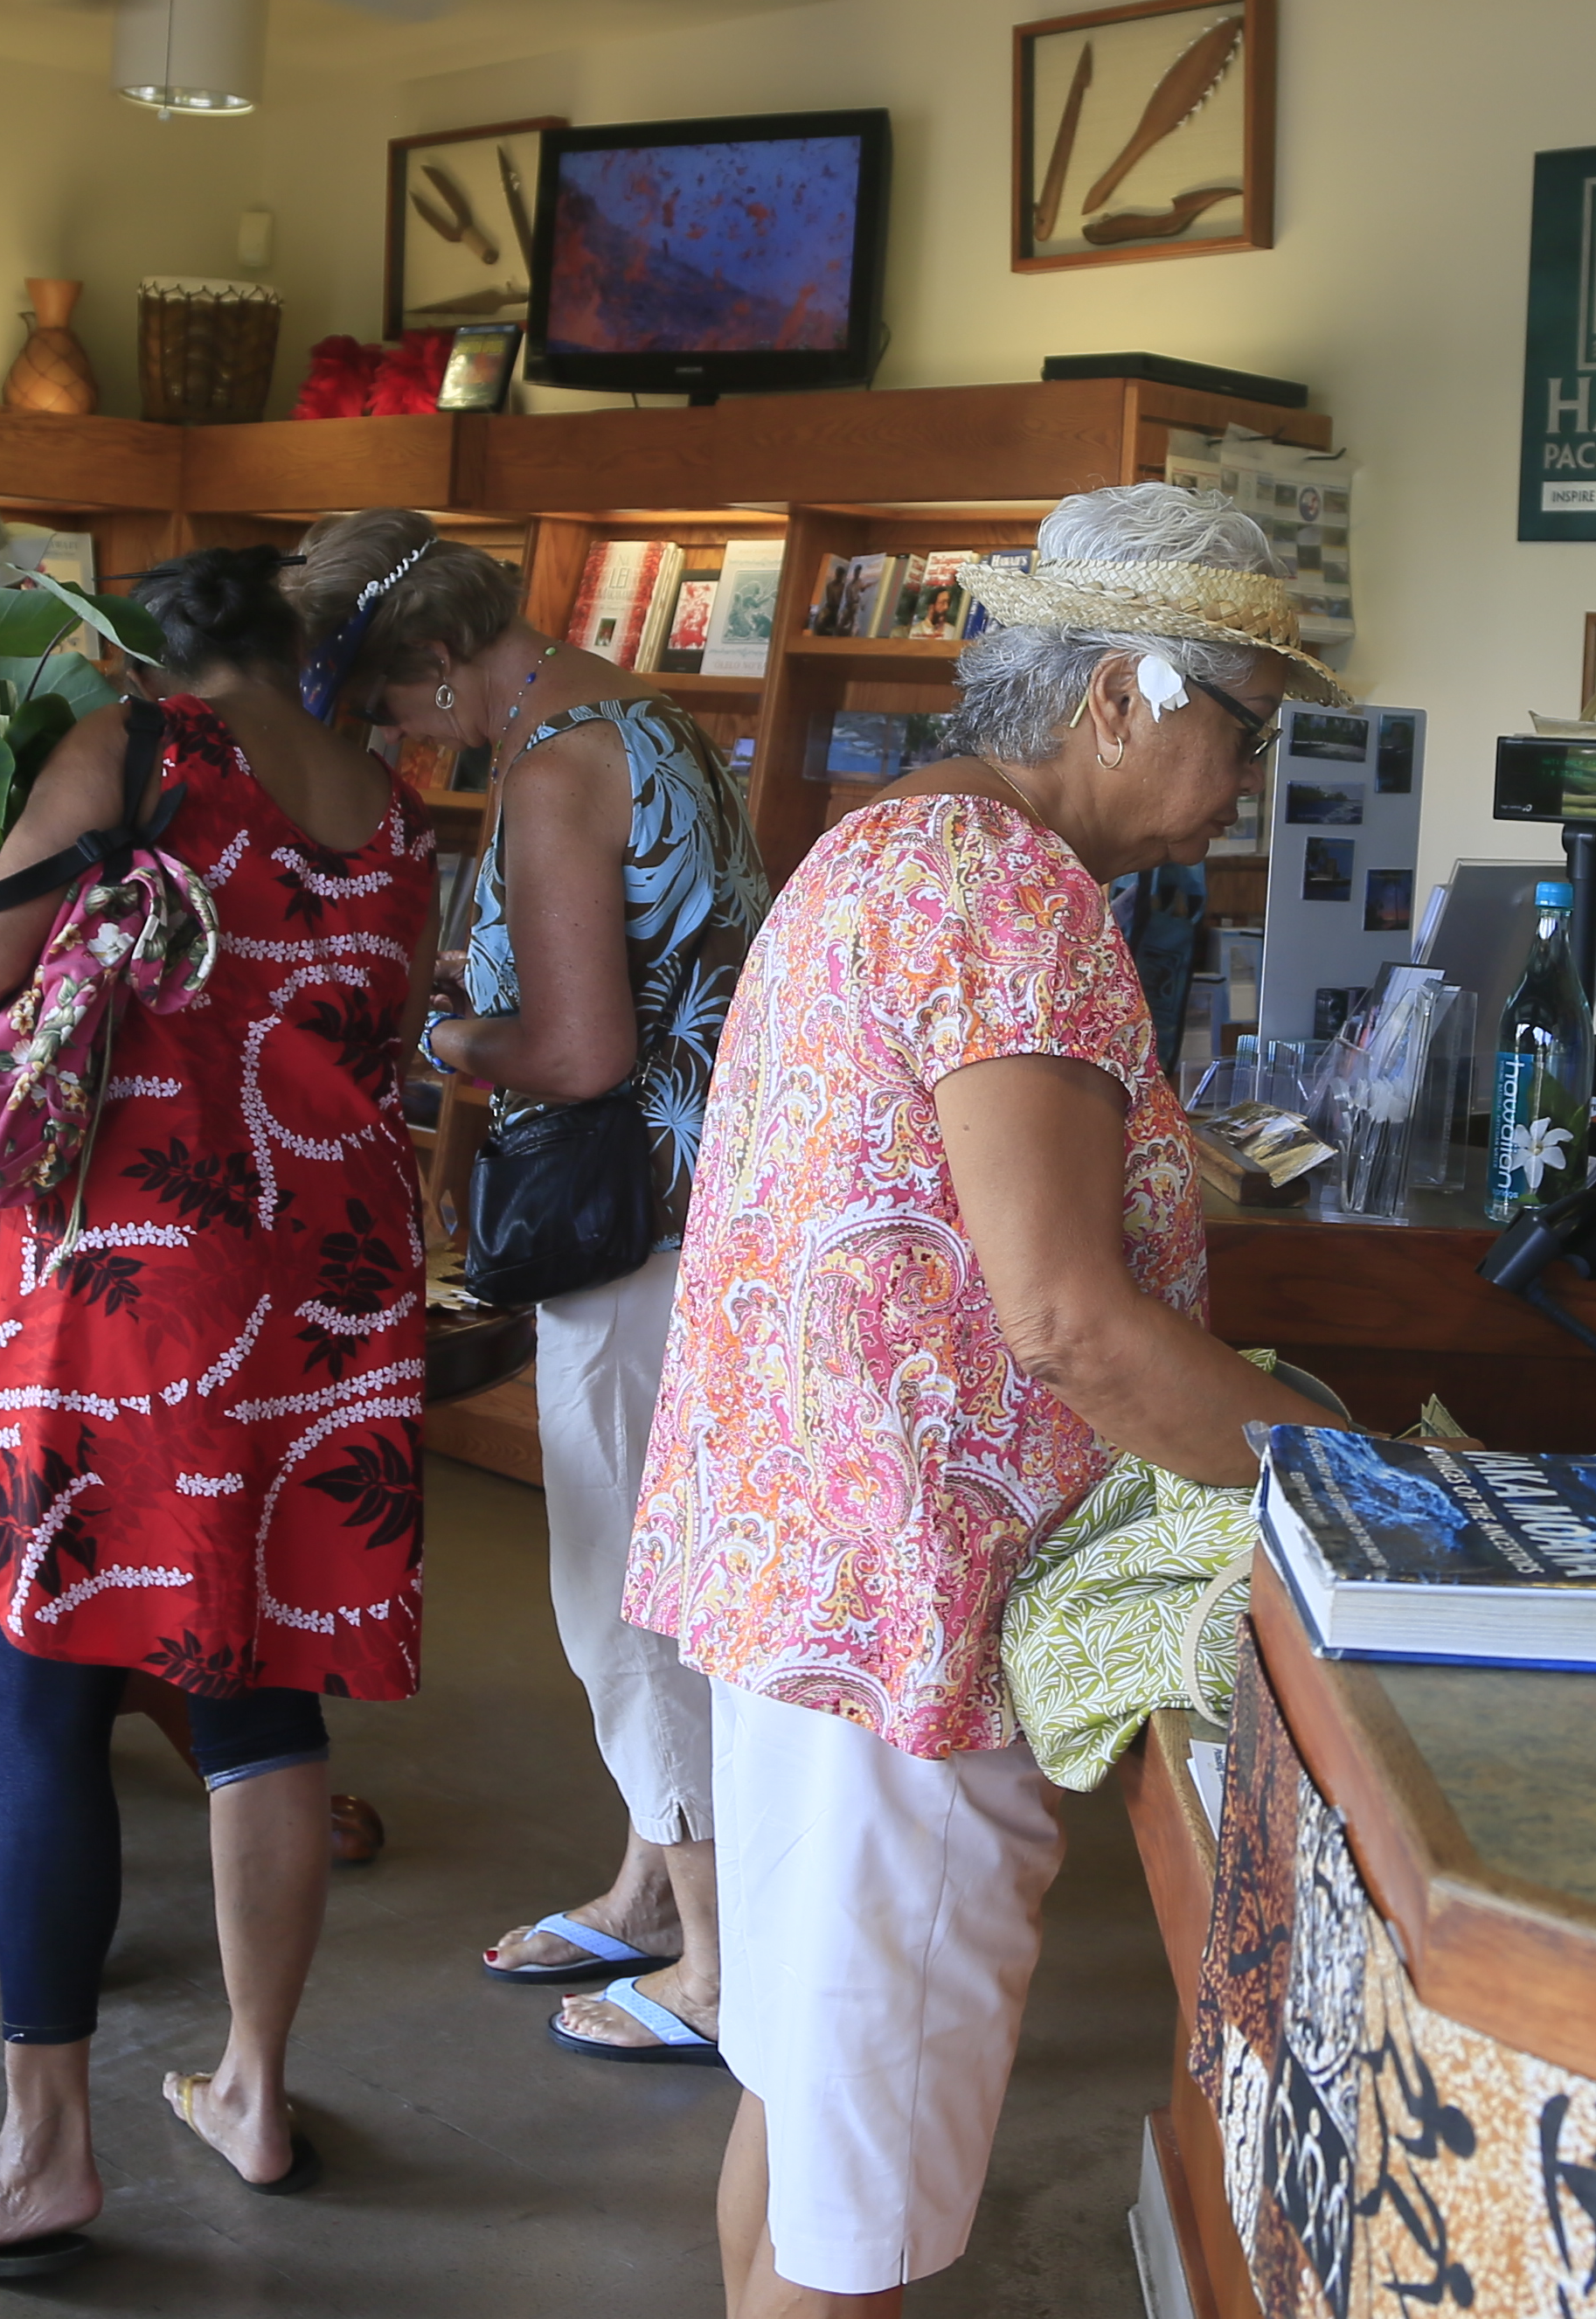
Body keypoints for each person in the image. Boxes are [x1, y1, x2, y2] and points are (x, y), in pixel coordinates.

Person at [625, 483, 1357, 2316]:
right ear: (1127, 695)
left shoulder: (886, 848)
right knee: (858, 2215)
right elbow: (1070, 1326)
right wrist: (1358, 1480)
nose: (1253, 778)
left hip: (798, 1584)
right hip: (911, 1633)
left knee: (807, 2119)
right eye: (1245, 729)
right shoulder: (1020, 900)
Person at [0, 538, 436, 2274]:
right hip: (325, 1280)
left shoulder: (138, 752)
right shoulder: (386, 799)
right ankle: (253, 2089)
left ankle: (42, 2154)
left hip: (138, 1282)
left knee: (40, 1700)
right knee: (255, 1689)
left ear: (132, 653)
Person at [310, 510, 773, 2062]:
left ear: (444, 659)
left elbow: (579, 1053)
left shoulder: (558, 769)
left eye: (395, 705)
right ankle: (650, 1891)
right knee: (670, 1554)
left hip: (622, 1221)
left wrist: (429, 1035)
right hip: (709, 1204)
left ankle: (716, 1965)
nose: (398, 739)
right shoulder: (653, 721)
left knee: (618, 1584)